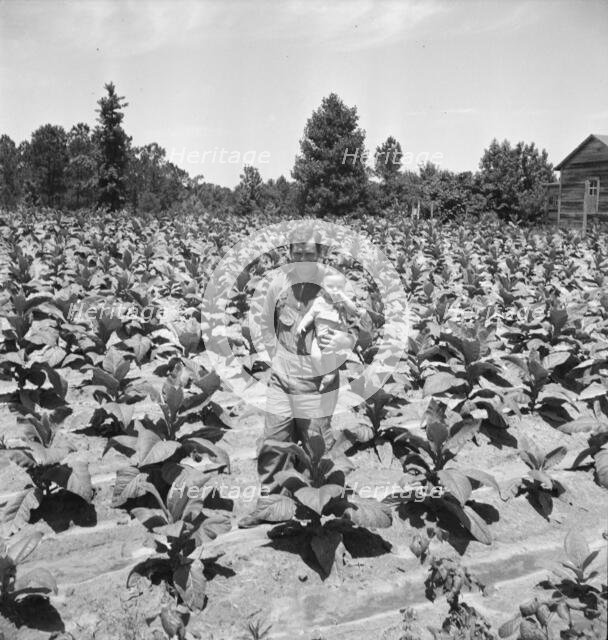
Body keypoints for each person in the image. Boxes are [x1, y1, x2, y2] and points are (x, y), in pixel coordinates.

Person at [238, 225, 374, 528]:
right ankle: (268, 505)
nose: (302, 260)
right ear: (289, 254)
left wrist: (344, 344)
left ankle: (318, 511)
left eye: (309, 255)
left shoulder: (335, 288)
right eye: (296, 253)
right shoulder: (278, 285)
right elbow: (266, 329)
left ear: (321, 254)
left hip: (318, 384)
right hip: (282, 381)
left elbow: (366, 330)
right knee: (272, 445)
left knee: (316, 450)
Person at [296, 270, 362, 392]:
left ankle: (330, 374)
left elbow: (354, 311)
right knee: (315, 356)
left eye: (339, 287)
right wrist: (302, 325)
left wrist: (344, 297)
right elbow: (310, 315)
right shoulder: (319, 301)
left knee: (328, 353)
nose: (334, 290)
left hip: (334, 337)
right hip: (319, 337)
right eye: (330, 286)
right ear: (322, 285)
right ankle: (326, 372)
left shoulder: (341, 302)